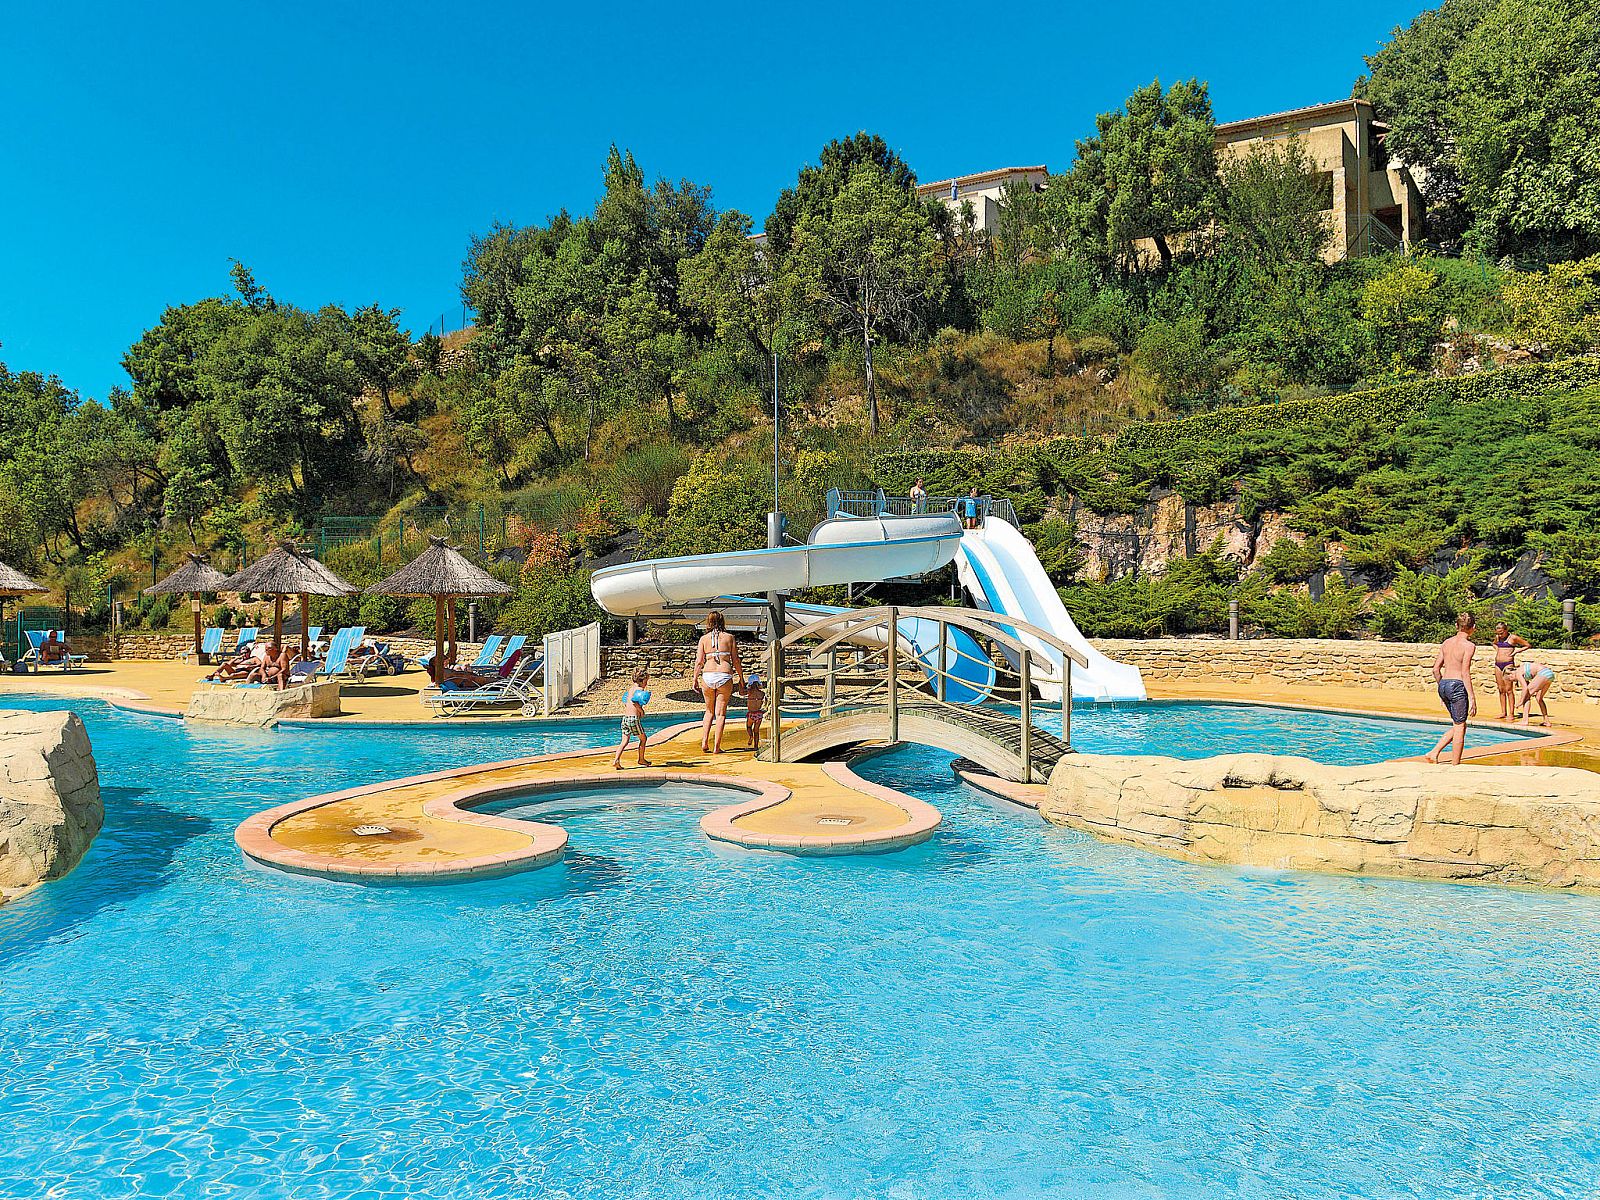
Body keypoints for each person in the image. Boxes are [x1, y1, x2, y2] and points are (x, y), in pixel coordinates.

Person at [1426, 612, 1478, 765]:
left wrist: (1442, 690)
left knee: (1458, 723)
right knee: (1460, 727)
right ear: (1473, 628)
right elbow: (1465, 672)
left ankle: (1434, 752)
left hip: (1444, 684)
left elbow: (1436, 670)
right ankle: (1455, 765)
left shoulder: (1446, 643)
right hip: (1457, 685)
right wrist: (1472, 698)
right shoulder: (1469, 646)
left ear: (1456, 626)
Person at [692, 611, 743, 754]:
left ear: (708, 622)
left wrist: (694, 678)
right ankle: (717, 747)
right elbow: (736, 660)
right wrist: (741, 678)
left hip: (708, 675)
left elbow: (699, 661)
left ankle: (704, 742)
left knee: (709, 711)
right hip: (724, 675)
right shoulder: (730, 638)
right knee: (720, 714)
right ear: (722, 621)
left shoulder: (703, 639)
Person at [613, 669, 653, 769]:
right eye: (646, 681)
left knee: (624, 742)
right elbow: (634, 702)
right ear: (642, 681)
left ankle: (616, 760)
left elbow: (627, 702)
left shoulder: (631, 690)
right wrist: (641, 711)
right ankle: (641, 759)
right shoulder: (640, 690)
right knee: (643, 739)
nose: (646, 684)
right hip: (633, 719)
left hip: (625, 719)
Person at [1490, 622, 1531, 720]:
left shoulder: (1513, 638)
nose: (1500, 635)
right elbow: (1494, 644)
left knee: (1509, 689)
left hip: (1508, 664)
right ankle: (1503, 712)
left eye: (1501, 633)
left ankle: (1511, 713)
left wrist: (1516, 651)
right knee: (1501, 689)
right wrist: (1498, 650)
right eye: (1498, 633)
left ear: (1506, 630)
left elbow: (1527, 645)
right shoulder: (1498, 637)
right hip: (1498, 664)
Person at [1516, 658, 1557, 727]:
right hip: (1549, 674)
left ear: (1510, 674)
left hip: (1543, 673)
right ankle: (1546, 721)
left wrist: (1521, 701)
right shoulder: (1523, 671)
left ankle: (1525, 720)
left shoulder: (1517, 672)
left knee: (1526, 696)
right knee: (1539, 698)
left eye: (1510, 679)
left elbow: (1525, 688)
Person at [743, 673, 766, 750]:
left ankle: (750, 736)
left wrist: (741, 684)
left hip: (751, 714)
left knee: (749, 727)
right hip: (759, 714)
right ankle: (756, 746)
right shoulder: (762, 693)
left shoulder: (749, 692)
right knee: (756, 731)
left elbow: (741, 692)